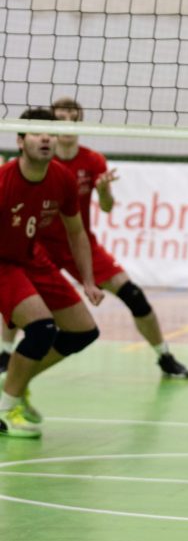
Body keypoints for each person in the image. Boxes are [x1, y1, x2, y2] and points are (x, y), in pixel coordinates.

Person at [19, 97, 188, 379]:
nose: (67, 124)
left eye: (73, 118)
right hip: (40, 246)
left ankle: (165, 356)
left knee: (134, 296)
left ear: (80, 122)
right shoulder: (41, 160)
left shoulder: (93, 160)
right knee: (22, 299)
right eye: (60, 119)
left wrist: (104, 191)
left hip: (81, 244)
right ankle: (5, 355)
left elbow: (108, 208)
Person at [0, 108, 104, 438]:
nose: (45, 138)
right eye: (36, 132)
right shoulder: (3, 182)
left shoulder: (62, 178)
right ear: (20, 141)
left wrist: (88, 280)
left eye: (50, 132)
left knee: (83, 331)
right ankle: (5, 409)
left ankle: (14, 382)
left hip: (31, 257)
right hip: (2, 263)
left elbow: (76, 231)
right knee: (42, 329)